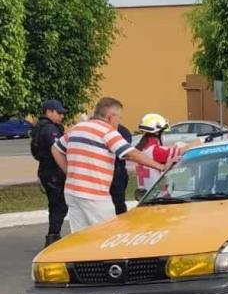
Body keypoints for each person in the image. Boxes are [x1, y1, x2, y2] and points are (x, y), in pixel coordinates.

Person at [51, 98, 173, 233]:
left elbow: (56, 149)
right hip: (95, 195)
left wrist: (69, 173)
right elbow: (130, 154)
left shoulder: (77, 128)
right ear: (110, 117)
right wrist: (160, 167)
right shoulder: (107, 131)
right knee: (108, 235)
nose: (118, 122)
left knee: (81, 237)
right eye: (118, 118)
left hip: (72, 192)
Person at [30, 99, 68, 247]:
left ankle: (53, 236)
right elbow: (58, 148)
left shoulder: (40, 127)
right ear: (49, 111)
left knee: (55, 204)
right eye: (59, 113)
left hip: (46, 170)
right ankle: (53, 238)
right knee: (60, 204)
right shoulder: (49, 129)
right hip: (53, 170)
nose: (61, 116)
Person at [135, 113, 202, 191]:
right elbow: (182, 151)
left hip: (144, 193)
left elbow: (165, 150)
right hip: (157, 194)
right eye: (162, 131)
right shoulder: (155, 150)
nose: (163, 134)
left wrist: (175, 145)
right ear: (157, 132)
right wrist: (201, 140)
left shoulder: (141, 148)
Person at [110, 123, 132, 215]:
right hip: (113, 173)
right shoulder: (123, 131)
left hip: (117, 173)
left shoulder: (121, 131)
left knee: (118, 205)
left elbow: (125, 153)